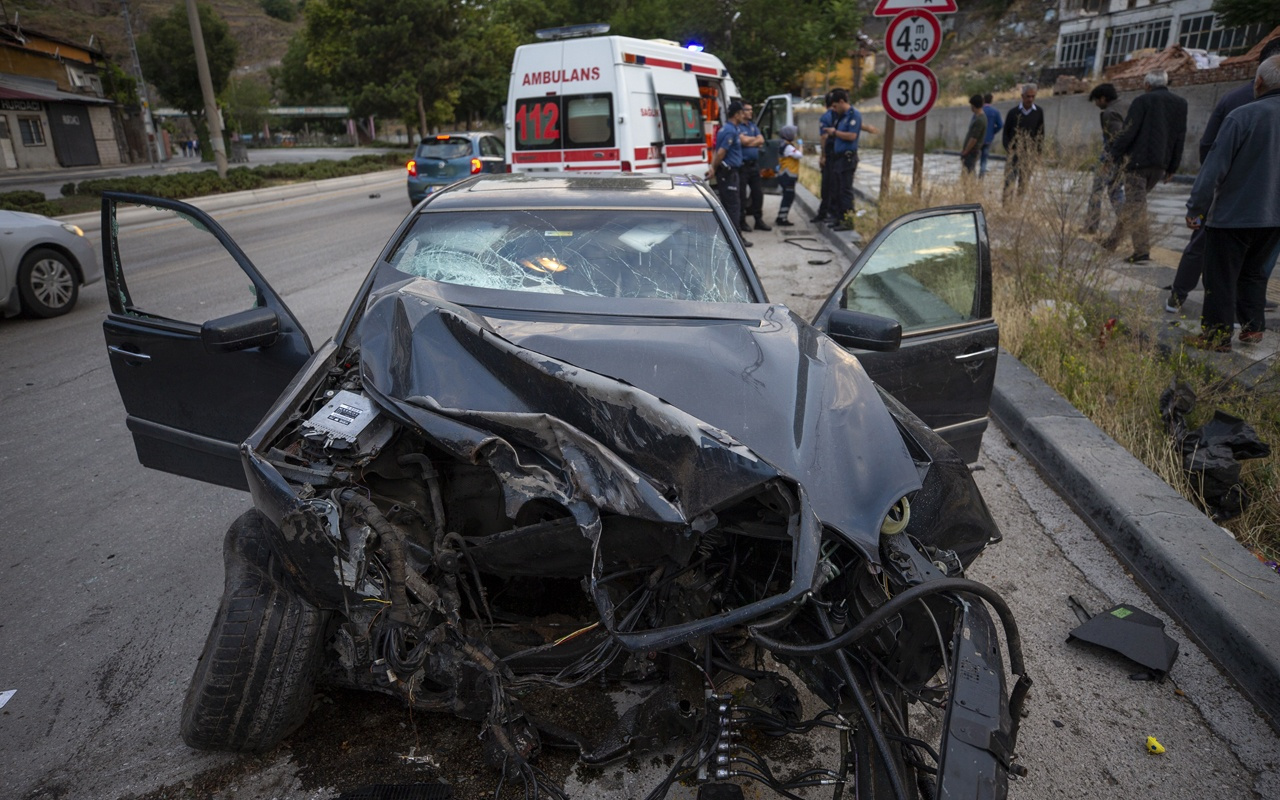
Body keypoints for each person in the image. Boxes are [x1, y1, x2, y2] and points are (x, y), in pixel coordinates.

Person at [1167, 35, 1280, 313]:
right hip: (1272, 209)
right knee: (1256, 265)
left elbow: (1209, 150)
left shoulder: (1238, 101)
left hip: (1231, 202)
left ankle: (1181, 298)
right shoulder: (1244, 101)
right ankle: (1249, 317)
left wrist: (1204, 199)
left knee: (1212, 261)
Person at [1100, 70, 1188, 263]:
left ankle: (1141, 251)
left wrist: (1112, 156)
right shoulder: (1180, 104)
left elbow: (1128, 131)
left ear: (1147, 85)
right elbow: (1180, 138)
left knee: (1136, 207)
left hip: (1137, 164)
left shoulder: (1142, 101)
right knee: (1133, 204)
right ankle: (1112, 242)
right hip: (1159, 165)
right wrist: (1172, 167)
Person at [1084, 83, 1126, 234]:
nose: (1096, 104)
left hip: (1111, 159)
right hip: (1123, 159)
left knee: (1097, 190)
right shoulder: (1123, 107)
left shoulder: (1109, 113)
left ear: (1103, 98)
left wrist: (1108, 162)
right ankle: (1126, 224)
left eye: (1096, 100)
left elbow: (1115, 139)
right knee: (1115, 191)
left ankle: (1091, 226)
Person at [708, 100, 751, 247]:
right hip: (729, 173)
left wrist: (713, 168)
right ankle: (737, 240)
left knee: (729, 205)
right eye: (742, 113)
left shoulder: (725, 128)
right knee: (733, 206)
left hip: (728, 173)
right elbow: (721, 152)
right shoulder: (730, 131)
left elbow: (716, 150)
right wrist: (714, 167)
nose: (744, 116)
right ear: (737, 114)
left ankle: (728, 237)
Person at [824, 88, 861, 232]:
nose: (834, 109)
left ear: (841, 102)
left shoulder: (854, 115)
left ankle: (848, 221)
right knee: (837, 190)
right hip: (838, 158)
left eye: (835, 106)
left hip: (847, 158)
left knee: (845, 191)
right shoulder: (841, 116)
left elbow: (852, 136)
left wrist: (835, 132)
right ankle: (839, 218)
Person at [1001, 83, 1045, 202]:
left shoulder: (1038, 112)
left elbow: (1040, 133)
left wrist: (1038, 152)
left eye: (1033, 96)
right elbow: (1006, 133)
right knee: (1009, 181)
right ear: (1022, 96)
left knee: (1024, 182)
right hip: (1014, 154)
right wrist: (1009, 149)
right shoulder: (1013, 113)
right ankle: (1006, 207)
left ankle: (1018, 206)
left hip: (1029, 155)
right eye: (1028, 96)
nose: (1030, 99)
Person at [737, 103, 770, 231]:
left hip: (754, 165)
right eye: (748, 110)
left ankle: (758, 220)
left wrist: (749, 141)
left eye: (751, 110)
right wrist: (753, 141)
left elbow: (761, 140)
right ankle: (742, 221)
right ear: (742, 111)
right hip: (743, 166)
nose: (751, 112)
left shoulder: (752, 126)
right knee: (741, 195)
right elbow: (743, 141)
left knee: (758, 193)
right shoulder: (738, 127)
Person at [811, 92, 838, 224]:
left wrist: (823, 156)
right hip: (838, 156)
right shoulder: (840, 116)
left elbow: (823, 137)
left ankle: (824, 213)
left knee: (827, 185)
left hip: (830, 156)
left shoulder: (826, 117)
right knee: (835, 185)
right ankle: (831, 212)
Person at [774, 125, 802, 227]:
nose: (795, 135)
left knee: (788, 196)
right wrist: (801, 146)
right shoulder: (787, 146)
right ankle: (782, 218)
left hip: (786, 174)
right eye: (793, 133)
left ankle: (782, 216)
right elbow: (799, 155)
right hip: (788, 175)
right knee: (788, 197)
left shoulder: (785, 145)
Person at [960, 94, 987, 177]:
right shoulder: (979, 117)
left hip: (972, 152)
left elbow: (974, 139)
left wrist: (965, 151)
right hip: (972, 151)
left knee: (969, 174)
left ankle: (971, 189)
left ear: (973, 106)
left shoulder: (980, 120)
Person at [980, 92, 1003, 178]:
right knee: (984, 159)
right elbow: (1000, 125)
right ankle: (981, 175)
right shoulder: (995, 111)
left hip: (979, 139)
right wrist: (993, 131)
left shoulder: (980, 110)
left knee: (974, 158)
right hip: (988, 138)